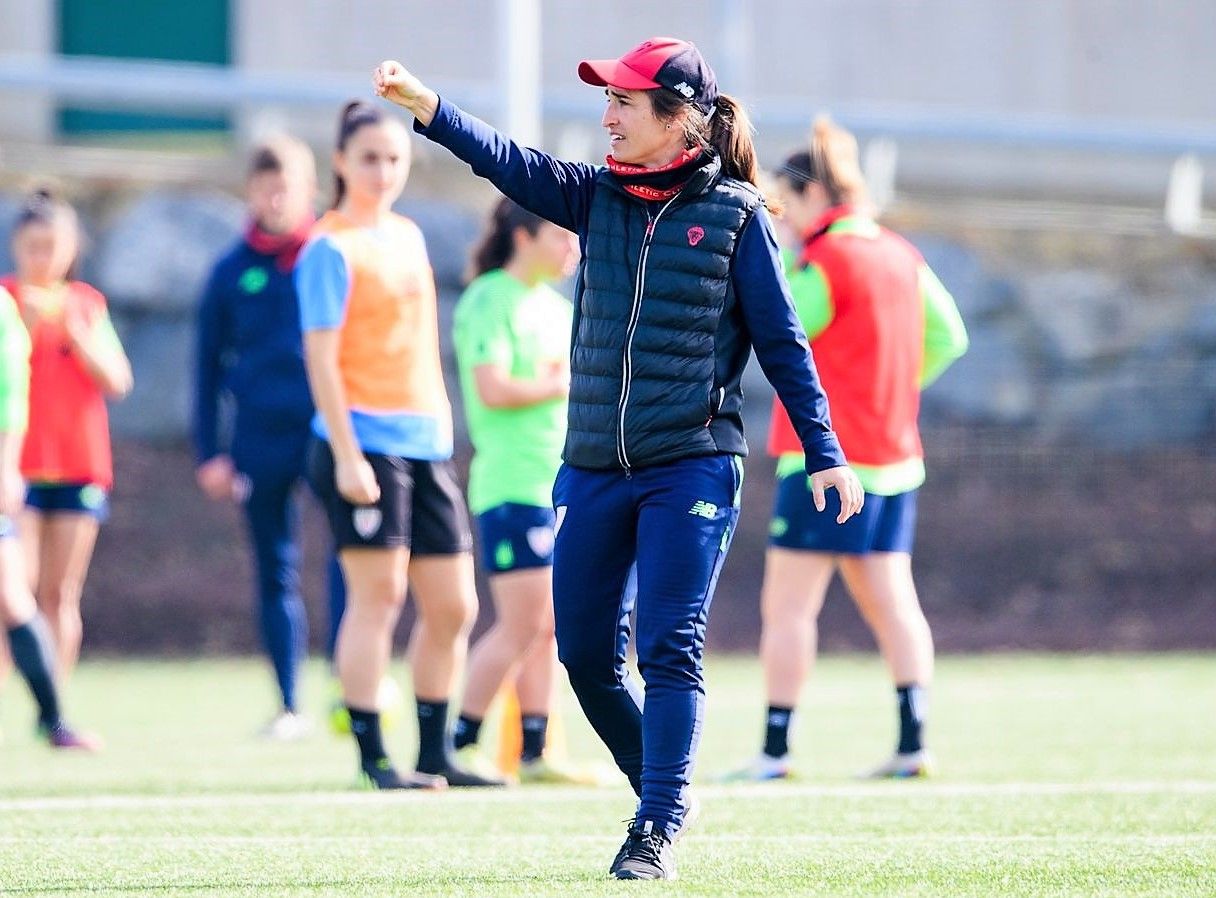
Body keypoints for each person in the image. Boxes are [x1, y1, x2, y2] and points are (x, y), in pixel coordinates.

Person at [374, 36, 864, 879]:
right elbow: (506, 161)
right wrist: (427, 105)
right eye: (607, 102)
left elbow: (785, 344)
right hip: (596, 467)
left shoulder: (739, 218)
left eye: (624, 104)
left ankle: (658, 820)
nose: (607, 117)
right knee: (583, 657)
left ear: (678, 120)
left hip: (694, 465)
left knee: (670, 645)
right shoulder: (594, 198)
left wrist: (826, 450)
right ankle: (663, 789)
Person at [724, 118, 968, 782]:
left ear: (811, 198)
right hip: (895, 458)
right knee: (894, 604)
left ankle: (775, 752)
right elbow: (949, 338)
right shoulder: (901, 254)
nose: (782, 218)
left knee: (789, 608)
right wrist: (891, 388)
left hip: (825, 464)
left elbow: (781, 332)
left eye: (783, 203)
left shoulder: (824, 261)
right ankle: (914, 740)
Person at [297, 100, 481, 790]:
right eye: (368, 158)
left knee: (455, 604)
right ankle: (376, 758)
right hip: (363, 443)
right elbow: (320, 358)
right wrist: (346, 454)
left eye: (394, 158)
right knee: (378, 598)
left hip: (425, 442)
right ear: (341, 162)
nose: (382, 171)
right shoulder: (329, 246)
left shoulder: (405, 235)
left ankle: (436, 754)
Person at [195, 136, 350, 740]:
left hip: (330, 432)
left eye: (287, 184)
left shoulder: (331, 255)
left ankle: (349, 686)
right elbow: (206, 367)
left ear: (310, 188)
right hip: (259, 441)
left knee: (351, 558)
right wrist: (210, 451)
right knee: (275, 569)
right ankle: (289, 704)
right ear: (251, 192)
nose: (277, 196)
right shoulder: (230, 272)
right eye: (266, 186)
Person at [448, 197, 593, 785]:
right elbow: (493, 388)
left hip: (558, 486)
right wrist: (561, 382)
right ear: (525, 237)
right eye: (562, 235)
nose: (572, 248)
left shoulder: (556, 310)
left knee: (549, 625)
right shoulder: (489, 298)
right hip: (512, 485)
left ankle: (535, 754)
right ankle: (457, 744)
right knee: (521, 622)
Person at [1, 189, 132, 683]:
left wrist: (78, 336)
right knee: (17, 588)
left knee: (62, 592)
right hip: (19, 468)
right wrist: (27, 329)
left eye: (52, 246)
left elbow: (118, 381)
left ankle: (55, 700)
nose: (42, 257)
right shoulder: (6, 304)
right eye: (33, 246)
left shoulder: (86, 305)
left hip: (79, 464)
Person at [0, 282, 100, 751]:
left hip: (60, 474)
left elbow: (10, 393)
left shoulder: (8, 308)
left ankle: (54, 718)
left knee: (24, 597)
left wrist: (5, 463)